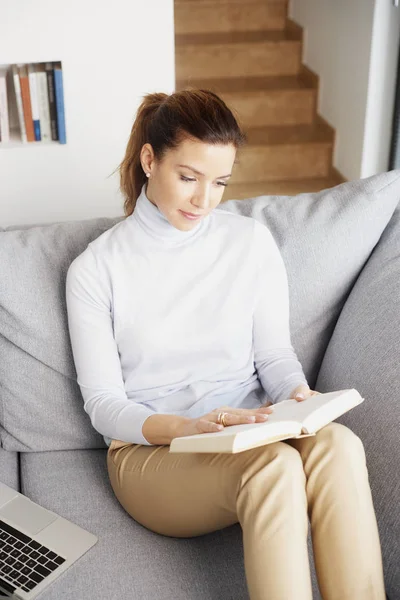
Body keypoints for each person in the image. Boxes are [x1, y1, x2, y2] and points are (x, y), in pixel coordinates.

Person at [65, 89, 386, 600]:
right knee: (274, 470)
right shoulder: (95, 270)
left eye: (219, 183)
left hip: (249, 430)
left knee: (340, 445)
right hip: (154, 451)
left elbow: (273, 356)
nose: (204, 200)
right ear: (150, 160)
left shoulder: (250, 242)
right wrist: (188, 427)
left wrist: (298, 398)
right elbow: (104, 406)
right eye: (188, 178)